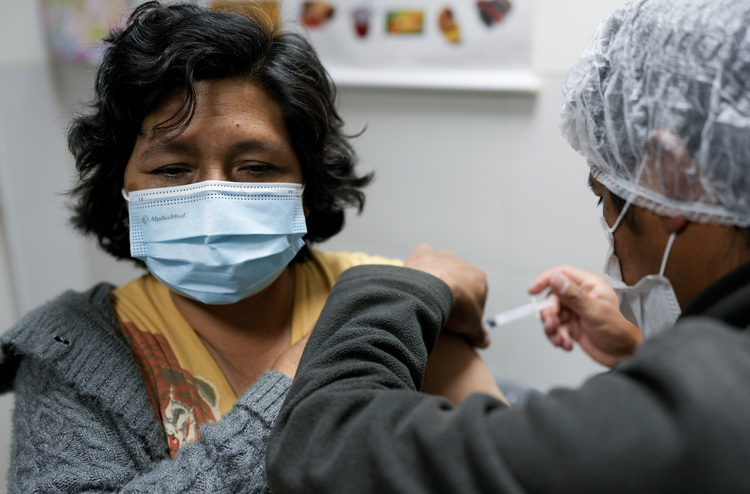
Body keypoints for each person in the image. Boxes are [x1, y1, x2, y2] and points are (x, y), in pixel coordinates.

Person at [0, 2, 500, 492]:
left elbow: (500, 470)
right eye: (172, 169)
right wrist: (318, 365)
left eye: (257, 168)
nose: (214, 203)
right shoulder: (67, 351)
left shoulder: (400, 300)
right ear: (123, 196)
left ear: (308, 190)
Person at [267, 0, 750, 492]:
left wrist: (411, 283)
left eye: (603, 198)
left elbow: (324, 447)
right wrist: (636, 351)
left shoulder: (700, 413)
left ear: (672, 176)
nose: (612, 245)